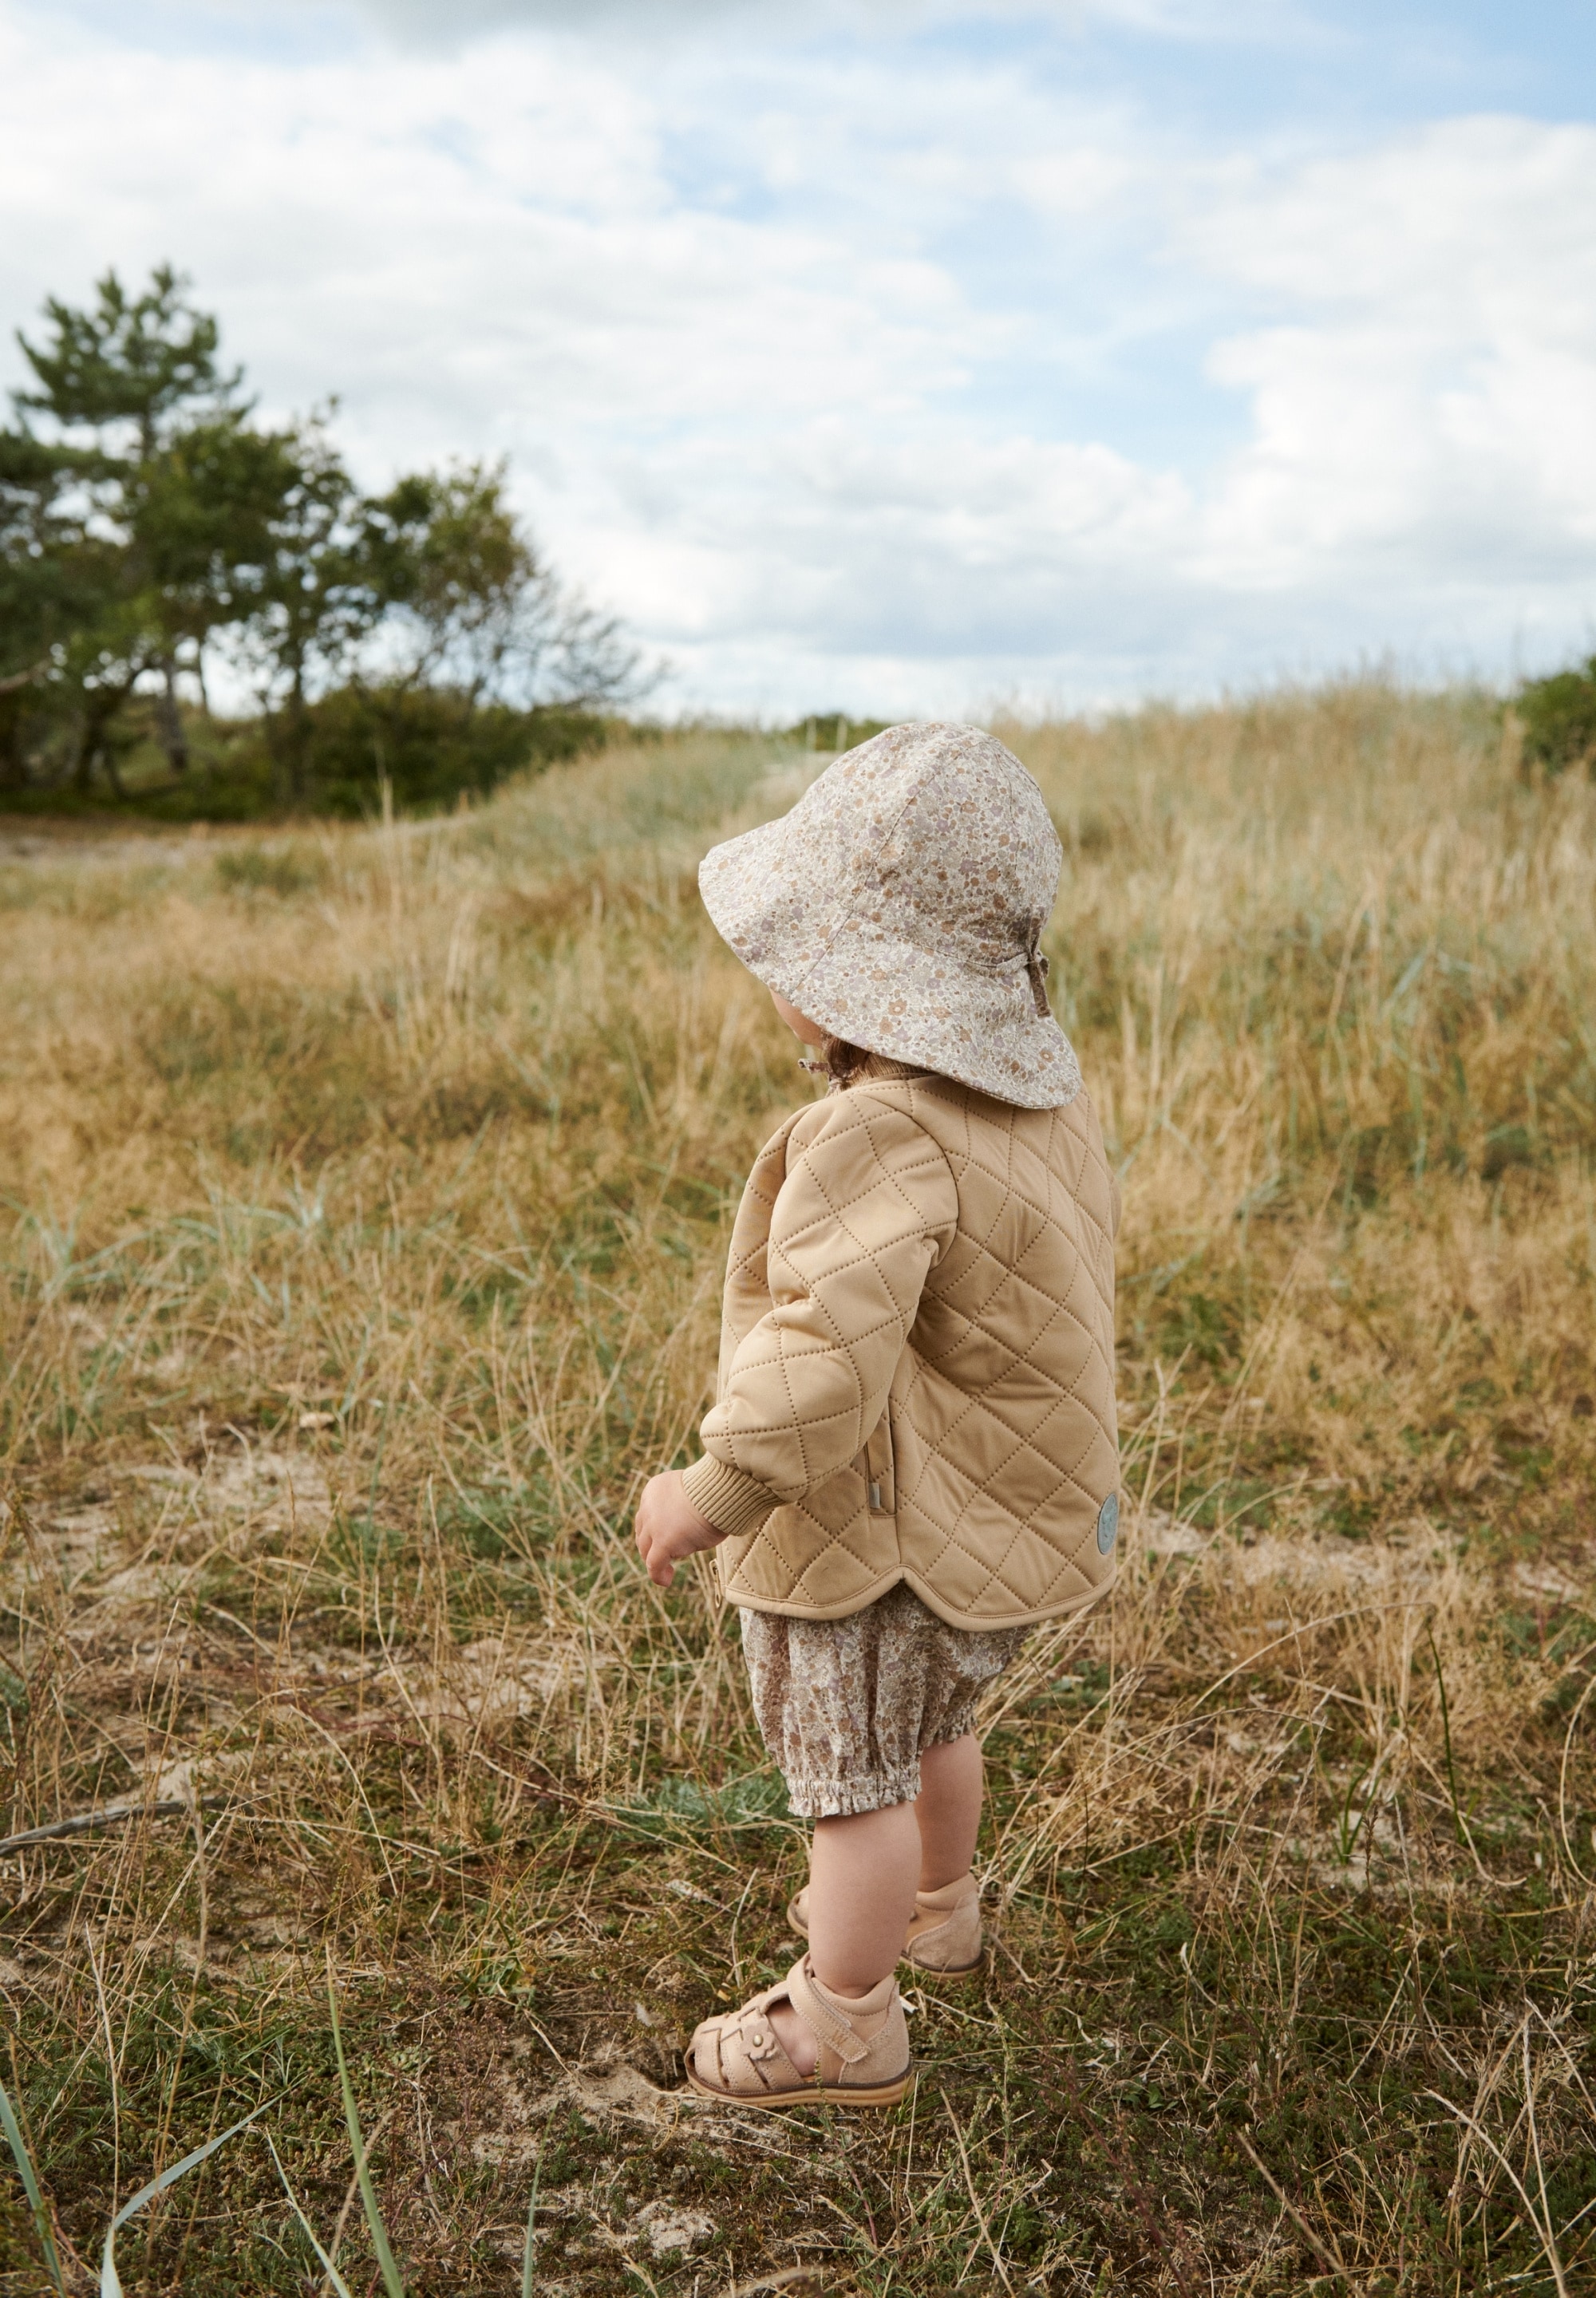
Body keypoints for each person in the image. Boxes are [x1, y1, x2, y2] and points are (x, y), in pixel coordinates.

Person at [634, 721, 1121, 2108]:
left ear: (858, 983)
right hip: (986, 1524)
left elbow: (824, 1351)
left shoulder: (876, 1130)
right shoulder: (1035, 1101)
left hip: (880, 1540)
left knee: (851, 1793)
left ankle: (842, 2024)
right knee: (933, 1730)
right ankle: (941, 1909)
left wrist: (718, 1485)